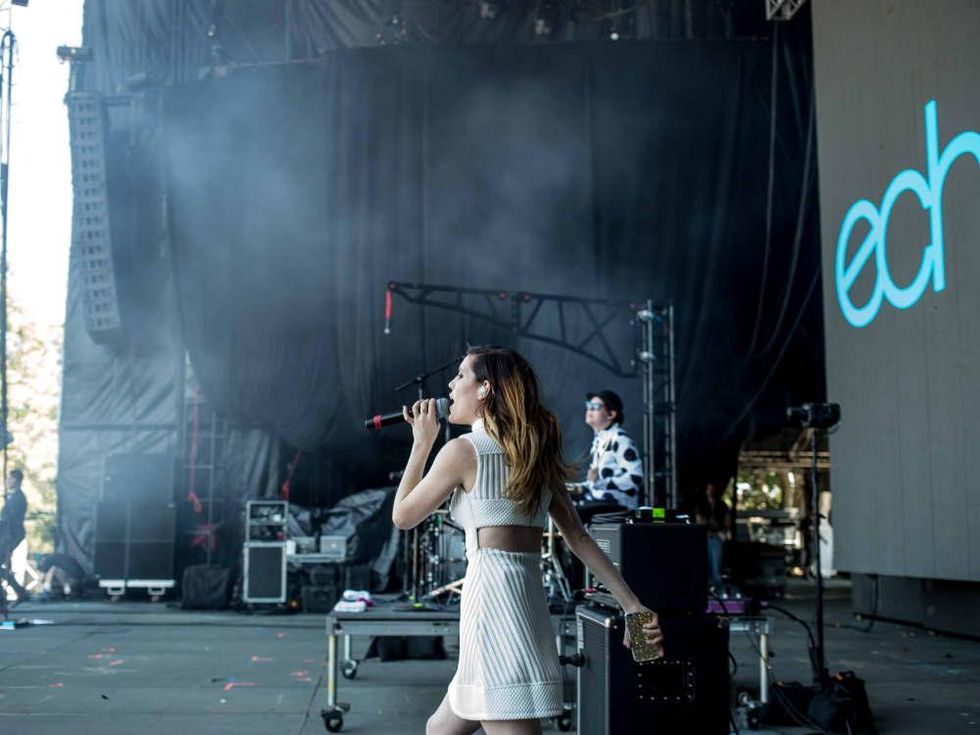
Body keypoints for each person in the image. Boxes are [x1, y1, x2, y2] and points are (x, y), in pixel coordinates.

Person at [393, 346, 663, 735]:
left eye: (461, 376)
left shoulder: (462, 451)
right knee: (439, 730)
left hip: (492, 608)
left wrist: (421, 444)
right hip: (522, 600)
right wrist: (632, 606)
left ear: (485, 389)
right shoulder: (535, 453)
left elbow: (402, 517)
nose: (451, 385)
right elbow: (578, 537)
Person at [583, 390, 643, 509]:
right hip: (602, 506)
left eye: (595, 407)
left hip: (617, 510)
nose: (589, 410)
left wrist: (600, 483)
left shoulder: (620, 440)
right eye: (588, 406)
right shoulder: (601, 440)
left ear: (611, 414)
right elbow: (595, 484)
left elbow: (635, 478)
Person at [695, 482, 730, 589]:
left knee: (716, 565)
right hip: (705, 537)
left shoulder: (722, 505)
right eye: (709, 489)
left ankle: (716, 588)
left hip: (716, 537)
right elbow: (699, 520)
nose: (710, 492)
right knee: (704, 564)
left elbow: (726, 521)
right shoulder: (701, 504)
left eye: (712, 489)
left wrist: (720, 530)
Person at [0, 469, 28, 602]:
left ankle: (3, 598)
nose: (7, 481)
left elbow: (11, 520)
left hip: (11, 535)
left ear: (16, 480)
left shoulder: (18, 498)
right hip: (6, 534)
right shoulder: (12, 496)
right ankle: (19, 591)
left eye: (10, 478)